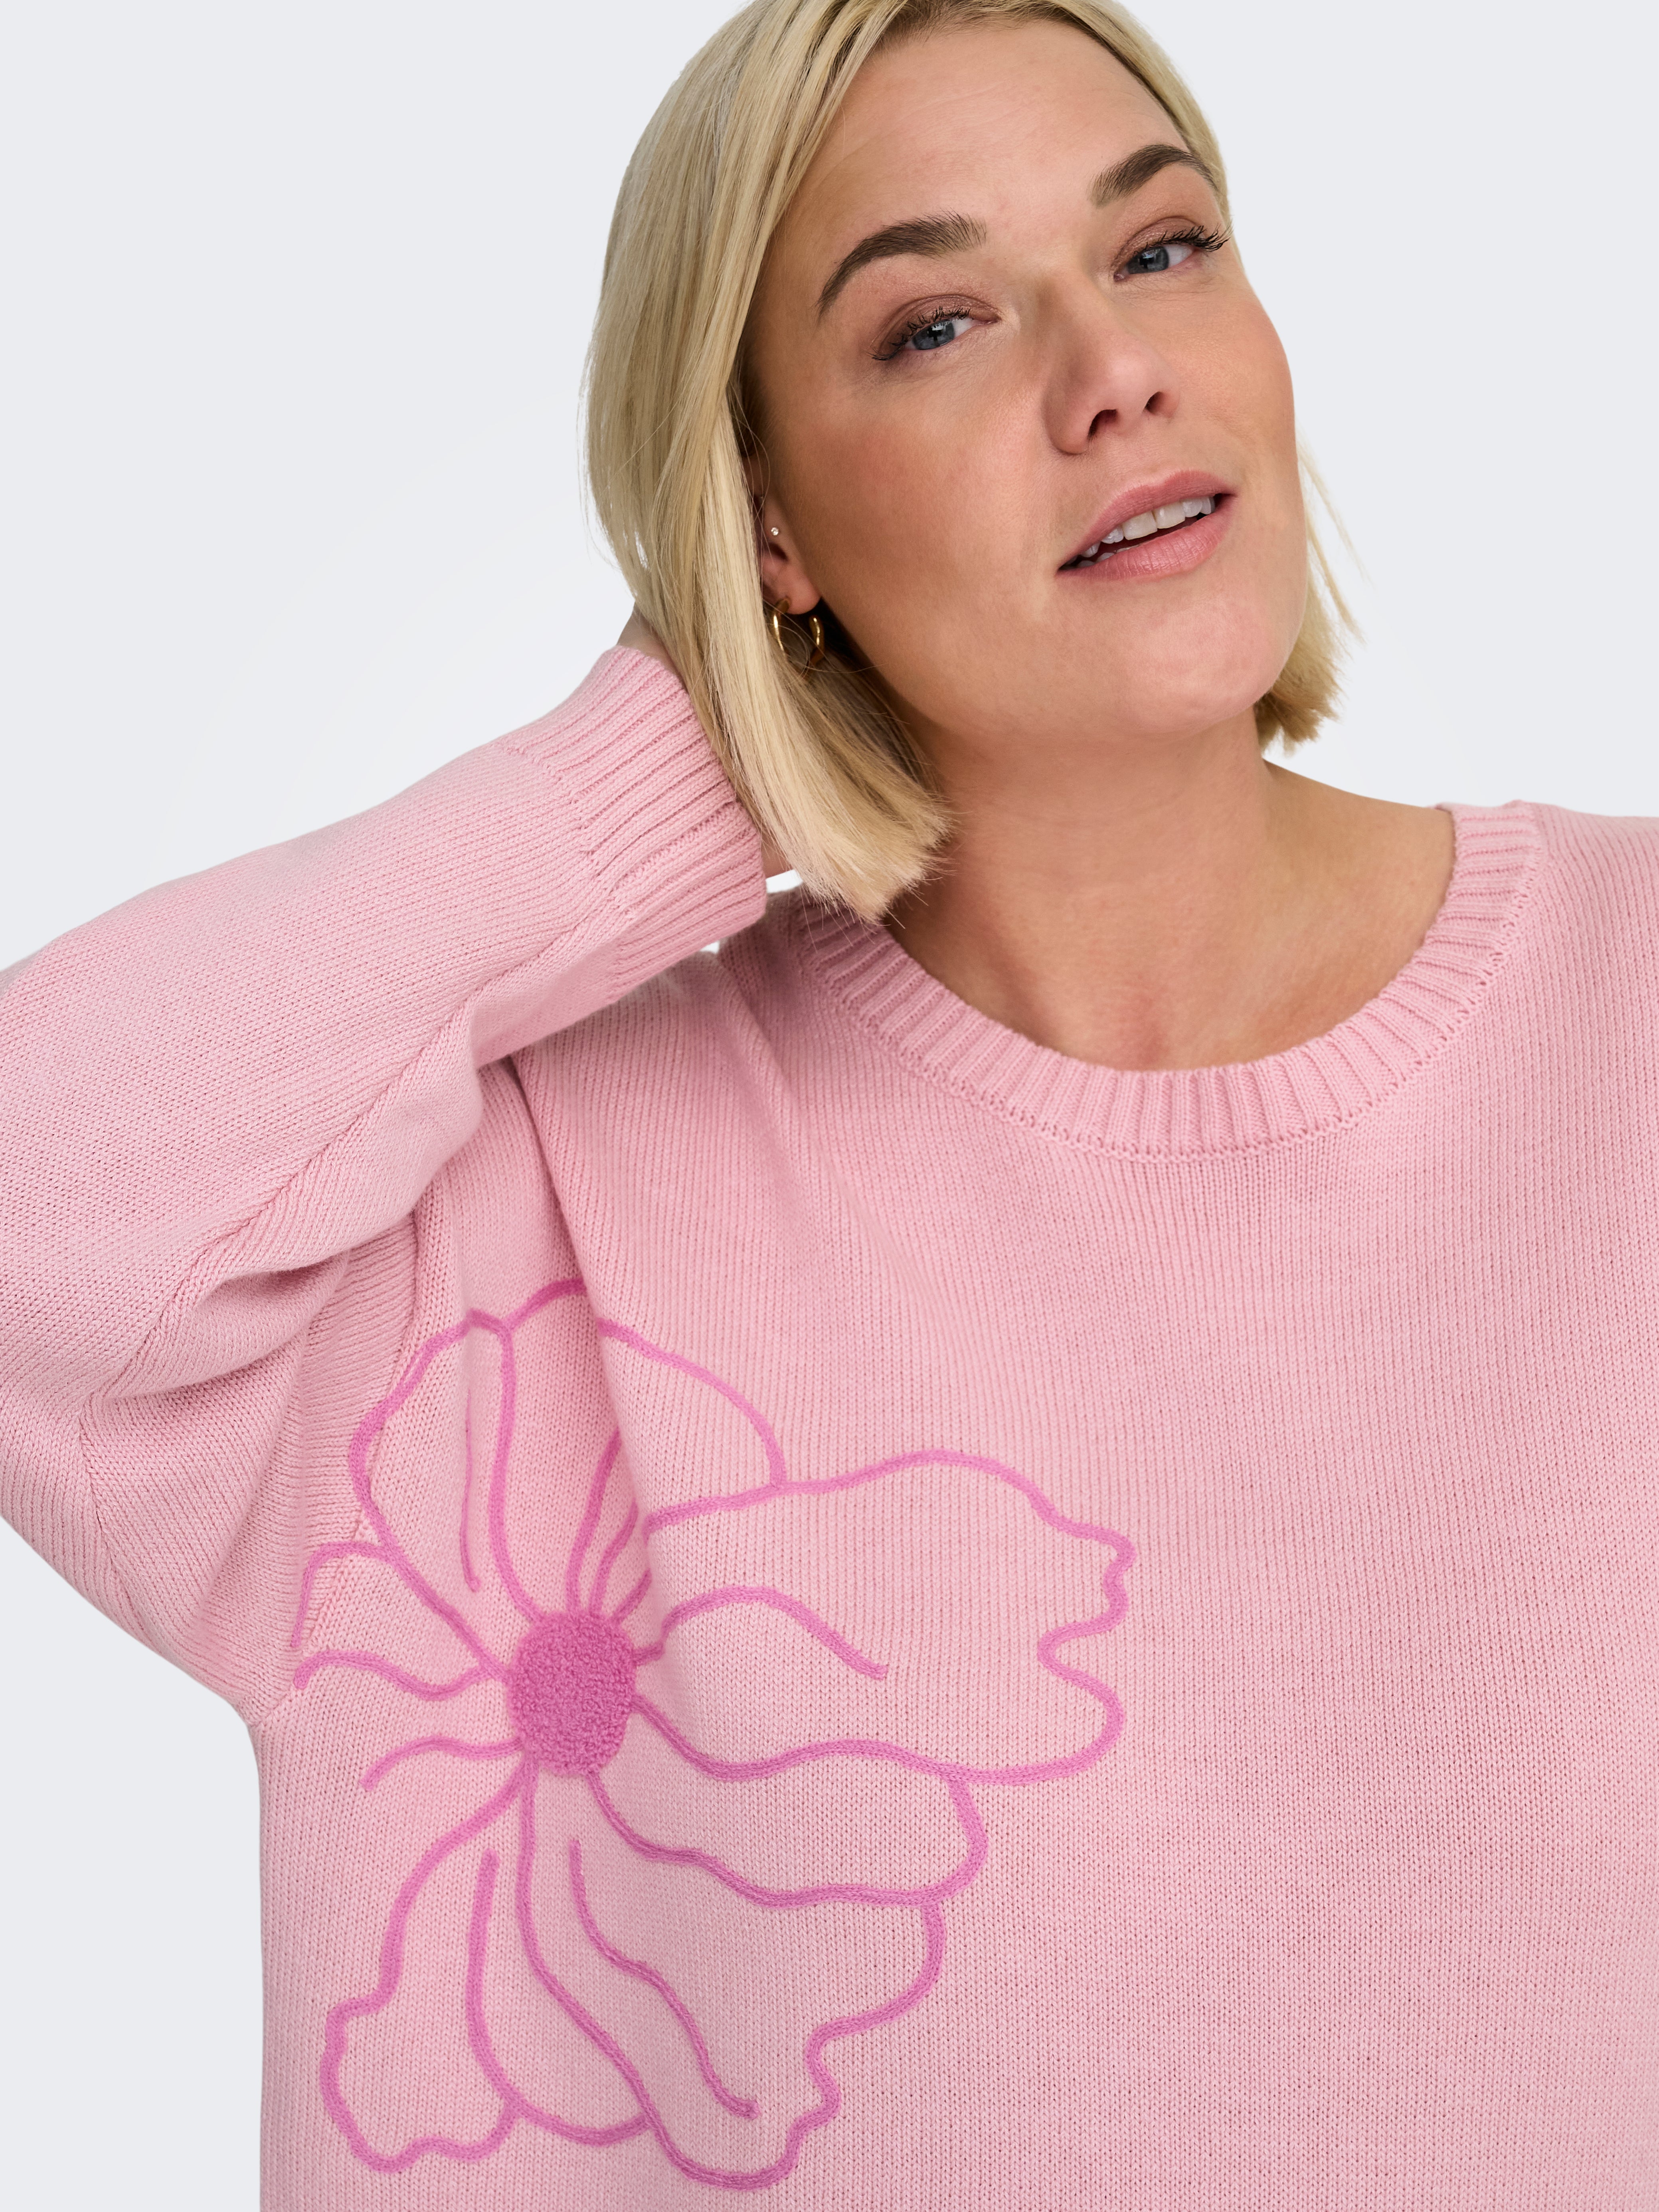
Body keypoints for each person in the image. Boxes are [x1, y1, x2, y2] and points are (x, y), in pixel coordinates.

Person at [2, 0, 1655, 2204]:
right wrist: (675, 763)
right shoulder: (524, 1214)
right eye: (937, 325)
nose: (1116, 368)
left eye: (1162, 248)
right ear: (768, 519)